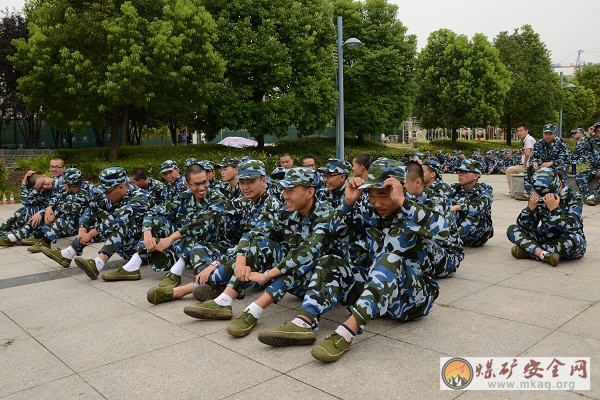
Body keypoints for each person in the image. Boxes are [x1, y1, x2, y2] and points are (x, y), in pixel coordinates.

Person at [256, 159, 444, 362]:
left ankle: (345, 333)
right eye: (372, 196)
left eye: (383, 196)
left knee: (390, 259)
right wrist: (347, 203)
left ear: (401, 190)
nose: (377, 203)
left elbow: (444, 231)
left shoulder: (419, 208)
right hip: (375, 294)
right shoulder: (371, 215)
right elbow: (330, 231)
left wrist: (402, 202)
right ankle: (304, 322)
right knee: (331, 261)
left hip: (412, 298)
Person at [182, 167, 340, 339]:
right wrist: (241, 262)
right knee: (260, 243)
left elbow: (307, 251)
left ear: (310, 192)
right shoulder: (288, 212)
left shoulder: (326, 214)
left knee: (295, 263)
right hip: (296, 278)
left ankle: (253, 310)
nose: (285, 195)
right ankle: (225, 300)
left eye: (291, 190)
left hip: (323, 283)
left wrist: (266, 275)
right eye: (284, 189)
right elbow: (253, 233)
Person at [146, 159, 281, 304]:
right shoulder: (244, 201)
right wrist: (151, 234)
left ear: (264, 180)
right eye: (242, 182)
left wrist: (215, 264)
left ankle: (183, 290)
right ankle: (217, 286)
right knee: (198, 248)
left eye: (251, 182)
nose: (245, 187)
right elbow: (211, 216)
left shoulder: (271, 206)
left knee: (236, 259)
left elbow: (249, 241)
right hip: (237, 250)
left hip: (261, 260)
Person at [101, 164, 226, 282]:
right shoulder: (183, 197)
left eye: (205, 182)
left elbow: (201, 223)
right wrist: (147, 233)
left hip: (209, 242)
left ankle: (176, 272)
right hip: (182, 238)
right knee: (156, 221)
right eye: (197, 184)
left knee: (194, 232)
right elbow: (153, 212)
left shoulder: (217, 197)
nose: (202, 187)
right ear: (187, 184)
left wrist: (170, 238)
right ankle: (133, 266)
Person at [40, 167, 150, 274]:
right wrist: (82, 229)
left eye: (107, 192)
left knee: (121, 223)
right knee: (99, 214)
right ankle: (68, 253)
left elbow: (117, 218)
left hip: (144, 250)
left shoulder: (140, 197)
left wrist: (91, 234)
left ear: (121, 187)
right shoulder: (113, 194)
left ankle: (98, 263)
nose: (106, 195)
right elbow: (91, 206)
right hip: (126, 246)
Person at [507, 167, 586, 267]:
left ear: (559, 184)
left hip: (564, 237)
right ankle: (543, 254)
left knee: (575, 241)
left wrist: (554, 209)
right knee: (512, 229)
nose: (544, 197)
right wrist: (529, 210)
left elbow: (573, 227)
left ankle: (530, 251)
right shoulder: (538, 195)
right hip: (545, 236)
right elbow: (526, 227)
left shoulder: (574, 197)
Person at [2, 169, 94, 251]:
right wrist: (24, 183)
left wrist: (47, 213)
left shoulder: (64, 184)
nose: (44, 187)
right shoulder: (45, 188)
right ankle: (4, 232)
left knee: (56, 215)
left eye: (43, 184)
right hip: (54, 217)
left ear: (44, 176)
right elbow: (28, 202)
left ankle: (20, 237)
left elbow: (66, 206)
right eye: (41, 187)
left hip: (75, 223)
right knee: (25, 210)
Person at [517, 124, 571, 201]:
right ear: (543, 134)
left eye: (550, 134)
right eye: (546, 134)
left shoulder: (561, 143)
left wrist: (552, 162)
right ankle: (527, 193)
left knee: (561, 170)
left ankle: (558, 193)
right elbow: (534, 156)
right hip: (544, 165)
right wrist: (534, 162)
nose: (547, 136)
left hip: (557, 164)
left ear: (555, 134)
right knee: (529, 168)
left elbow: (566, 158)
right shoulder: (539, 143)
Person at [448, 159, 493, 247]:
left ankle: (455, 241)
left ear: (476, 176)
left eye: (465, 172)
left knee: (476, 210)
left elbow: (482, 203)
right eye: (459, 172)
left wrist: (457, 206)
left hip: (477, 235)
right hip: (457, 228)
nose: (460, 174)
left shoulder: (485, 189)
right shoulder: (455, 188)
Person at [570, 127, 600, 206]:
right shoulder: (594, 141)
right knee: (580, 176)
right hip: (595, 167)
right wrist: (589, 133)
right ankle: (587, 197)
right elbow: (582, 144)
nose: (598, 133)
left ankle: (594, 196)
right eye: (596, 132)